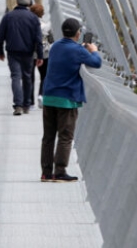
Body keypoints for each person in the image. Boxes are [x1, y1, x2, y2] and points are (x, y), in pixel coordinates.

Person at [40, 17, 101, 182]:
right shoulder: (78, 50)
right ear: (78, 33)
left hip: (49, 96)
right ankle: (60, 172)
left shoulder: (55, 46)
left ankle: (46, 173)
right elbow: (96, 63)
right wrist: (93, 50)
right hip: (66, 99)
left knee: (48, 137)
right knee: (65, 136)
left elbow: (66, 54)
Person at [0, 0, 43, 116]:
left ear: (16, 2)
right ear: (29, 3)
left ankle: (18, 105)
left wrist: (0, 52)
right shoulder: (33, 18)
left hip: (13, 52)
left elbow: (0, 37)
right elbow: (38, 39)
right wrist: (40, 56)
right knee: (27, 77)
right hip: (28, 53)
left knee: (16, 77)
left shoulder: (8, 17)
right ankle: (27, 104)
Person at [29, 3, 51, 108]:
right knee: (44, 76)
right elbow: (51, 39)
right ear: (42, 14)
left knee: (30, 77)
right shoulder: (46, 26)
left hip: (30, 54)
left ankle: (30, 101)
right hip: (44, 53)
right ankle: (41, 94)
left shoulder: (27, 26)